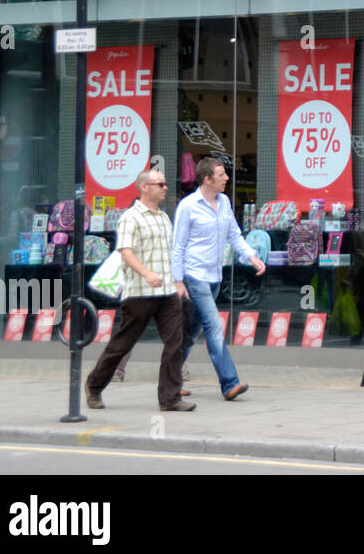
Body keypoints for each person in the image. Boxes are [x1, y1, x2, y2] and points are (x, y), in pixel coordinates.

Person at [85, 168, 194, 412]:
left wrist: (177, 281)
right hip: (139, 292)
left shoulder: (164, 217)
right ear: (144, 187)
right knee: (122, 344)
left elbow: (171, 253)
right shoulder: (130, 217)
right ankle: (93, 385)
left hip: (166, 292)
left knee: (175, 344)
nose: (165, 188)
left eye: (165, 184)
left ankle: (170, 398)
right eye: (160, 184)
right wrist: (146, 273)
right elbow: (126, 252)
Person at [172, 157, 265, 401]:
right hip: (194, 275)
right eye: (222, 174)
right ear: (207, 179)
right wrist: (178, 281)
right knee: (214, 326)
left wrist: (251, 256)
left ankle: (170, 381)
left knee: (191, 332)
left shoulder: (223, 202)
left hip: (215, 276)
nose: (226, 178)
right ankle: (229, 383)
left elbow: (234, 235)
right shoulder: (188, 206)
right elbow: (178, 246)